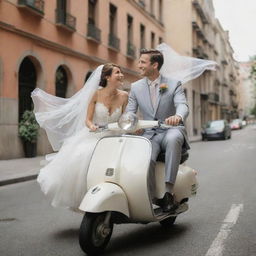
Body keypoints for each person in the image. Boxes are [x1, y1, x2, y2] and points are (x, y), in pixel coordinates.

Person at [126, 43, 217, 212]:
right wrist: (132, 125)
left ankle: (168, 193)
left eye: (142, 62)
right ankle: (150, 195)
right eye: (139, 62)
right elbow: (130, 113)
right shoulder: (135, 87)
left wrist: (178, 116)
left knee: (173, 138)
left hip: (170, 129)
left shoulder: (174, 84)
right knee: (147, 155)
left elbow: (182, 105)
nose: (138, 65)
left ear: (154, 65)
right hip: (149, 133)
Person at [31, 63, 128, 209]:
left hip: (116, 137)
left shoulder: (125, 96)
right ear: (107, 77)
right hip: (96, 135)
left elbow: (125, 118)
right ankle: (90, 199)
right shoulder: (95, 94)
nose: (121, 75)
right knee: (81, 158)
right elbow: (88, 119)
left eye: (121, 72)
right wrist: (92, 126)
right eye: (118, 72)